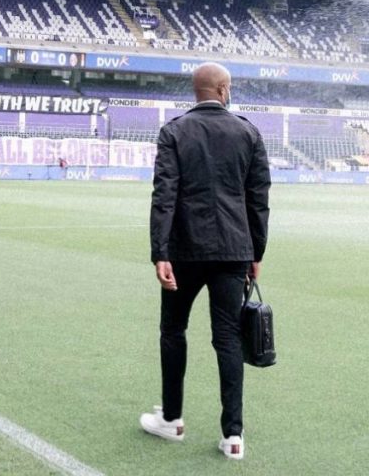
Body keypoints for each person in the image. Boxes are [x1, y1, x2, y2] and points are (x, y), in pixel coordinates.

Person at [141, 62, 271, 461]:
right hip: (234, 250)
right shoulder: (249, 132)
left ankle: (173, 419)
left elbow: (164, 194)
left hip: (184, 250)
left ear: (196, 91)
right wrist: (256, 253)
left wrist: (160, 252)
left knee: (173, 330)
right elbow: (258, 198)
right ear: (224, 89)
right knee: (228, 338)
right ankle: (233, 435)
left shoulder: (174, 131)